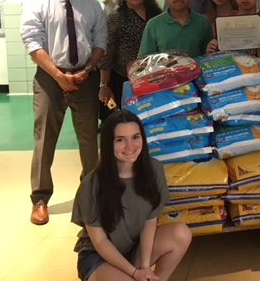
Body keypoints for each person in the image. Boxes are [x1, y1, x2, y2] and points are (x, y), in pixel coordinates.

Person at [21, 0, 107, 225]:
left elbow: (100, 41)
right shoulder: (37, 1)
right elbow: (32, 41)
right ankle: (40, 199)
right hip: (49, 78)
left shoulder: (90, 4)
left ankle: (90, 195)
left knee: (88, 143)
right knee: (44, 140)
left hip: (85, 77)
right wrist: (59, 76)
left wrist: (88, 70)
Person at [72, 110, 191, 281]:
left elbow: (150, 222)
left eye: (135, 137)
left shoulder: (154, 169)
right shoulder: (91, 184)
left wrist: (145, 266)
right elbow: (100, 242)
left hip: (134, 248)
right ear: (107, 143)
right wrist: (134, 273)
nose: (130, 146)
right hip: (99, 256)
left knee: (181, 233)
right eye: (120, 140)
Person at [98, 0, 162, 113]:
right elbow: (108, 53)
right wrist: (104, 84)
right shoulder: (116, 18)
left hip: (154, 77)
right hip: (124, 80)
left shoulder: (156, 14)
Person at [139, 0, 213, 58]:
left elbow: (208, 56)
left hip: (196, 70)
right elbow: (144, 60)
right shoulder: (153, 25)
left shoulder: (203, 23)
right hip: (164, 71)